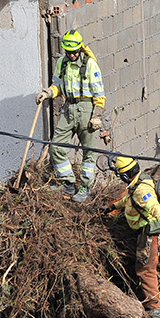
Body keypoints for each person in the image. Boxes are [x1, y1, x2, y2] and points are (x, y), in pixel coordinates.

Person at [102, 156, 160, 318]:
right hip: (148, 232)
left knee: (145, 269)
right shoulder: (139, 182)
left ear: (124, 175)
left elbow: (155, 208)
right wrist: (112, 207)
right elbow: (128, 200)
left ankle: (154, 307)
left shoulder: (142, 191)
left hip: (148, 234)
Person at [35, 29, 105, 203]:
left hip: (86, 108)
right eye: (69, 52)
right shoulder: (62, 63)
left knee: (89, 151)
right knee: (56, 147)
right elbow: (57, 85)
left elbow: (99, 92)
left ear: (80, 48)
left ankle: (85, 187)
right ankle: (68, 183)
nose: (72, 55)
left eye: (75, 52)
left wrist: (97, 115)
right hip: (68, 108)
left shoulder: (90, 64)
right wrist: (48, 93)